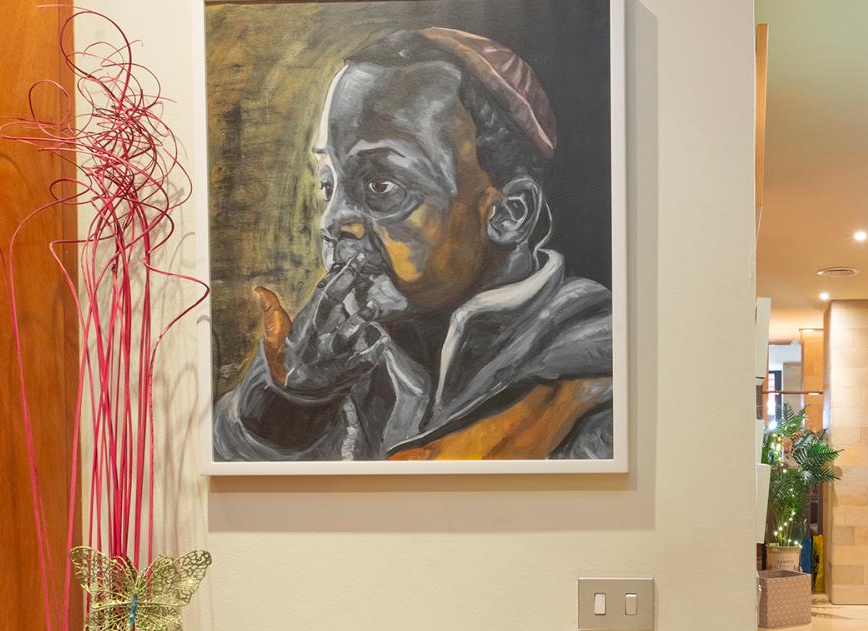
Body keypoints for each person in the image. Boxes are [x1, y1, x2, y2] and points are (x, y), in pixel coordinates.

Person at [213, 27, 613, 462]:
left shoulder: (595, 381)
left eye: (381, 185)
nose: (332, 222)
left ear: (508, 214)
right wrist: (291, 404)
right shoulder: (332, 365)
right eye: (329, 186)